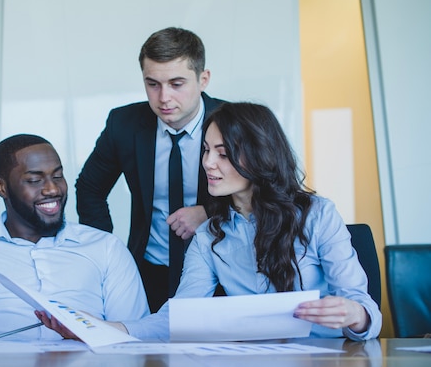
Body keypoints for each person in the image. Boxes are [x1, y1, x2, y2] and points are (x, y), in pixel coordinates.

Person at [40, 102, 382, 341]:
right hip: (251, 364)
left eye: (223, 153)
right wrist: (101, 328)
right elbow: (179, 315)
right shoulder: (210, 235)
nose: (208, 164)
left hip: (327, 364)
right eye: (206, 150)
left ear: (260, 154)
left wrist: (355, 314)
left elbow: (365, 310)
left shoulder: (318, 214)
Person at [0, 134, 149, 339]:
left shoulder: (105, 247)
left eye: (57, 176)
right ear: (1, 187)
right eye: (34, 180)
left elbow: (138, 338)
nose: (52, 189)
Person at [76, 27, 229, 312]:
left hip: (222, 268)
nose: (163, 98)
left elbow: (271, 193)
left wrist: (210, 212)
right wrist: (105, 251)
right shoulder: (124, 123)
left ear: (203, 79)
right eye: (153, 84)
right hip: (149, 270)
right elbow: (89, 188)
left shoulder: (235, 123)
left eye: (176, 83)